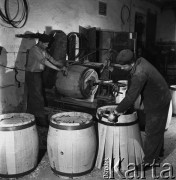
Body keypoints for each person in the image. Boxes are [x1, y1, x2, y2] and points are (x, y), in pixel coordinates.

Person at [109, 49, 171, 170]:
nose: (121, 68)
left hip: (158, 101)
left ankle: (149, 162)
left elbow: (131, 97)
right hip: (161, 95)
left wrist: (116, 112)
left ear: (131, 63)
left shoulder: (140, 73)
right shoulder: (140, 61)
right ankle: (159, 152)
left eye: (123, 66)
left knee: (152, 130)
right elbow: (132, 82)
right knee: (158, 127)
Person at [25, 34, 67, 127]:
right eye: (46, 44)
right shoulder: (34, 49)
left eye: (48, 44)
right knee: (38, 97)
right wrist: (58, 69)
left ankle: (33, 117)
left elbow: (51, 59)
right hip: (32, 75)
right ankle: (41, 120)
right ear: (40, 42)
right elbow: (44, 61)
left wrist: (62, 66)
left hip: (37, 74)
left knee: (35, 96)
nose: (47, 46)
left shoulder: (42, 50)